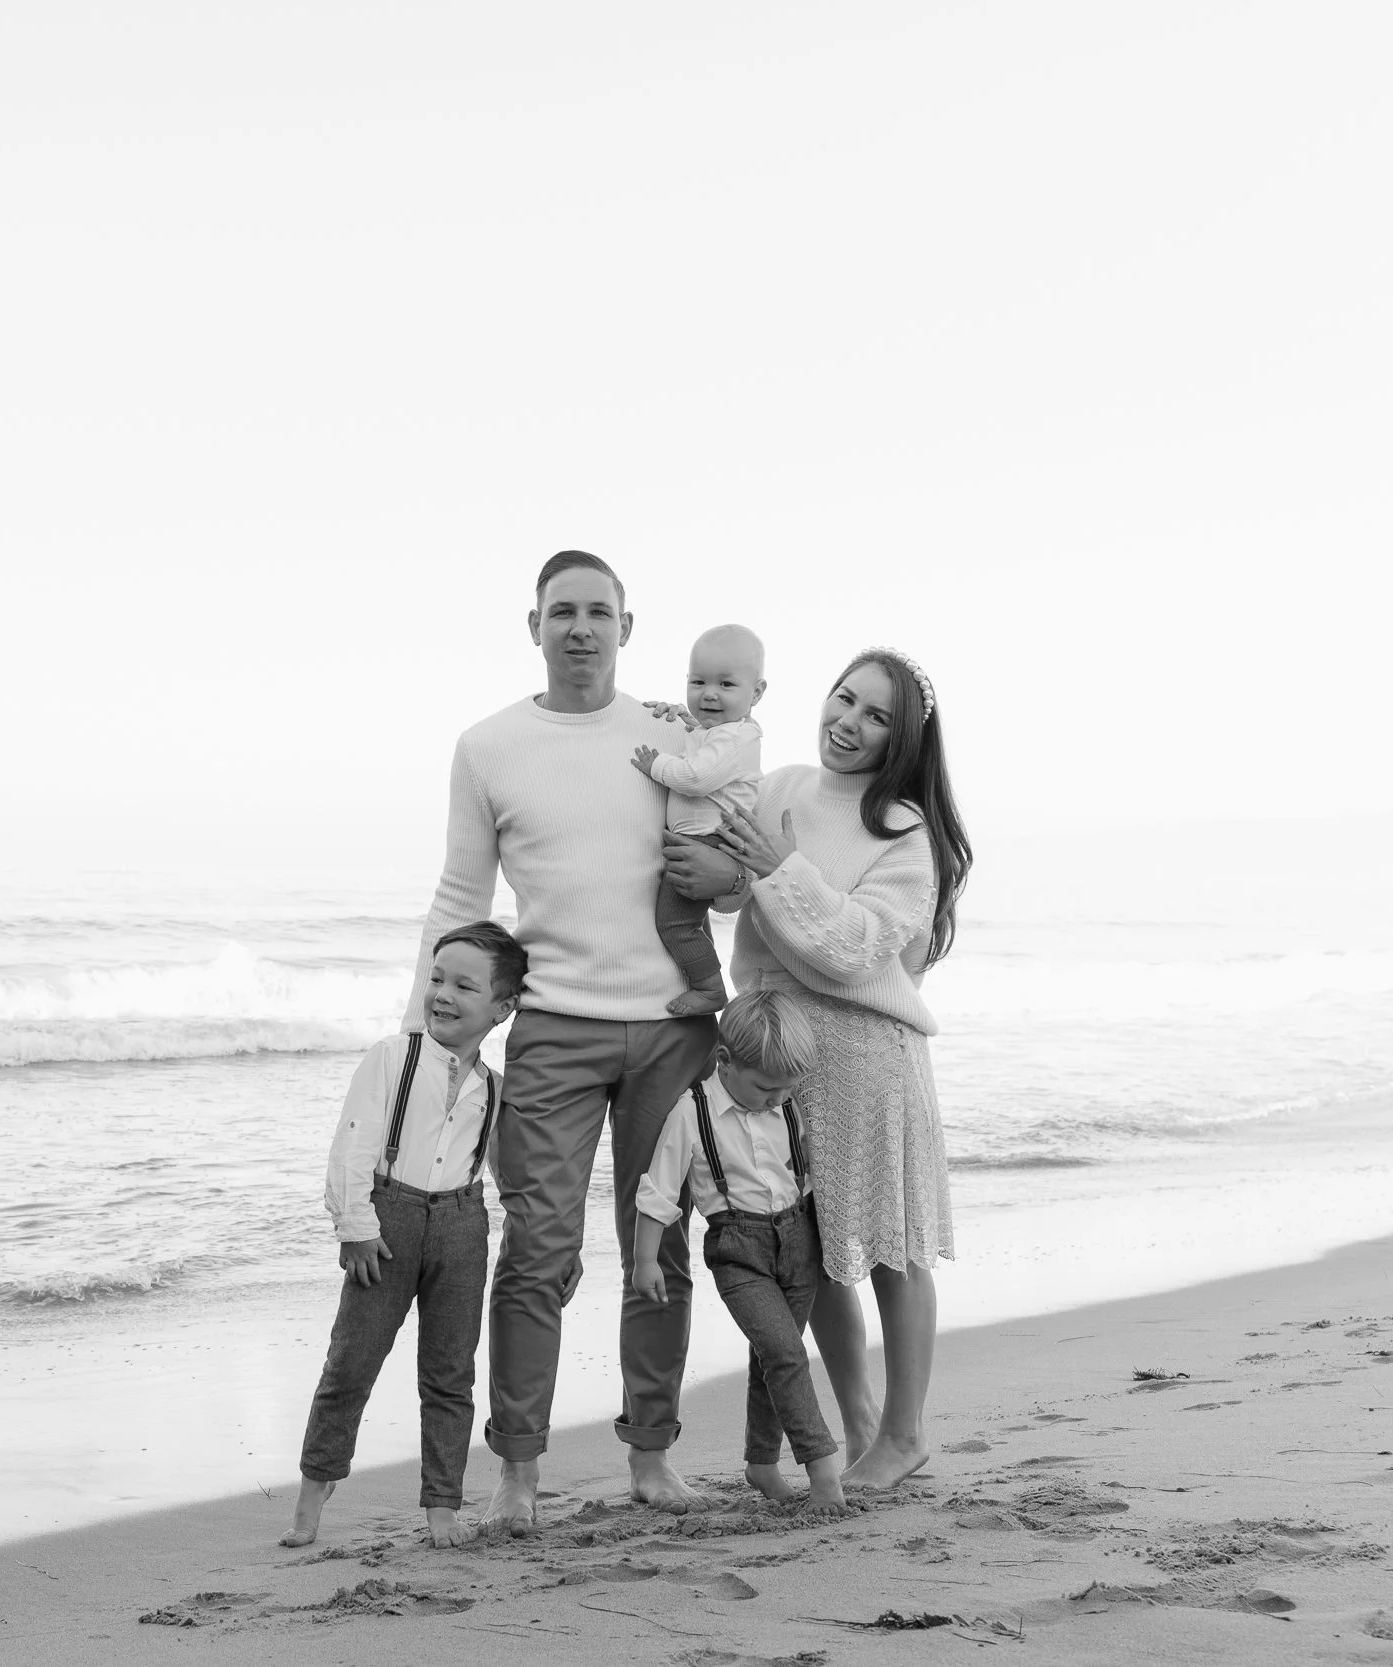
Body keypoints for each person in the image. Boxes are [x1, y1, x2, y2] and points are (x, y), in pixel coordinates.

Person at [405, 550, 717, 1533]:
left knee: (657, 1243)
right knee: (535, 1251)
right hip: (551, 1028)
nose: (579, 626)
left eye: (598, 611)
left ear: (627, 626)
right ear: (532, 624)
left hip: (673, 1028)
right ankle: (520, 1472)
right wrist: (427, 1031)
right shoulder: (489, 744)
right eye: (561, 611)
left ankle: (653, 1455)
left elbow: (728, 855)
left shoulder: (676, 733)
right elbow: (462, 895)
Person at [700, 646, 972, 1492]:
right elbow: (721, 885)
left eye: (876, 715)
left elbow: (853, 948)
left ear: (903, 739)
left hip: (866, 1054)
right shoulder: (780, 787)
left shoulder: (905, 834)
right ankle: (858, 1424)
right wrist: (697, 736)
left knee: (891, 1248)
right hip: (783, 1051)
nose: (848, 722)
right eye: (844, 699)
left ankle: (904, 1430)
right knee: (810, 1251)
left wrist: (775, 867)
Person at [282, 920, 527, 1550]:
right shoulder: (394, 1056)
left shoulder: (493, 1088)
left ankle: (442, 1504)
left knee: (450, 1373)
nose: (442, 993)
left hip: (462, 1226)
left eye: (464, 985)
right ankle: (315, 1486)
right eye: (437, 978)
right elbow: (353, 1142)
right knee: (352, 1360)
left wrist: (545, 1240)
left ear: (502, 1008)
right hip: (387, 1224)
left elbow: (505, 1172)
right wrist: (355, 1226)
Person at [630, 990, 848, 1516]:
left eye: (787, 1089)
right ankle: (823, 1471)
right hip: (737, 1248)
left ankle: (762, 1462)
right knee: (787, 1353)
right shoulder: (692, 1111)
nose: (778, 1098)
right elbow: (658, 1192)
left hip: (800, 1241)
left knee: (773, 1354)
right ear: (724, 1062)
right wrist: (644, 1261)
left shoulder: (787, 1101)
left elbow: (817, 1173)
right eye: (766, 1088)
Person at [630, 624, 766, 1017]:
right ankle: (702, 977)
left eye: (726, 684)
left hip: (710, 842)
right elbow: (701, 745)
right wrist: (681, 723)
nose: (709, 693)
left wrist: (655, 763)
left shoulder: (736, 739)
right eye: (698, 681)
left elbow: (696, 777)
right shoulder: (720, 733)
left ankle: (709, 989)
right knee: (689, 920)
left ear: (756, 693)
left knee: (675, 925)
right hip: (703, 839)